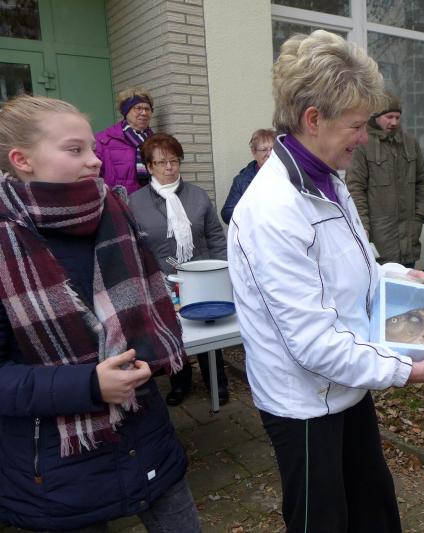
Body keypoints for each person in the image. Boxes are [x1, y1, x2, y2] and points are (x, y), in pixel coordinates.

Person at [226, 30, 424, 533]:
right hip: (304, 404)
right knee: (323, 520)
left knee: (374, 511)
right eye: (357, 126)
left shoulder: (327, 178)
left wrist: (390, 275)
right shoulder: (272, 211)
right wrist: (409, 371)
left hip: (348, 384)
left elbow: (341, 269)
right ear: (313, 119)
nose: (364, 138)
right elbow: (311, 343)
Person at [0, 95, 200, 531]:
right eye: (75, 150)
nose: (94, 161)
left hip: (147, 435)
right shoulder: (6, 242)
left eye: (92, 148)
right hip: (59, 470)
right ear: (22, 160)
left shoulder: (115, 211)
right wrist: (89, 385)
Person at [129, 132, 230, 406]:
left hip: (202, 278)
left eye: (174, 161)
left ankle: (217, 382)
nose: (169, 167)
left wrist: (224, 272)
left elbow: (216, 237)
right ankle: (179, 382)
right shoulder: (135, 202)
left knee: (209, 329)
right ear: (149, 166)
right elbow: (134, 247)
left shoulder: (197, 195)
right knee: (173, 332)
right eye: (161, 162)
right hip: (163, 280)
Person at [346, 93, 424, 267]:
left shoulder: (410, 143)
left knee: (408, 281)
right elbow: (355, 188)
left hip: (409, 238)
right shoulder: (362, 144)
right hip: (379, 238)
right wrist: (363, 226)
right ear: (376, 117)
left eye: (397, 117)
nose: (394, 122)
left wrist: (420, 214)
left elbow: (422, 181)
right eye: (389, 117)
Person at [95, 87, 155, 195]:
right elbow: (93, 177)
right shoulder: (104, 140)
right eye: (138, 108)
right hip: (118, 202)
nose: (144, 113)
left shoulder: (156, 141)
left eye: (147, 109)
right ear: (126, 111)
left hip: (150, 200)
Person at [220, 128, 276, 224]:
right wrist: (253, 216)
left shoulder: (289, 175)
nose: (269, 154)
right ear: (254, 152)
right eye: (264, 150)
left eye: (273, 149)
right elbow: (227, 213)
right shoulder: (242, 180)